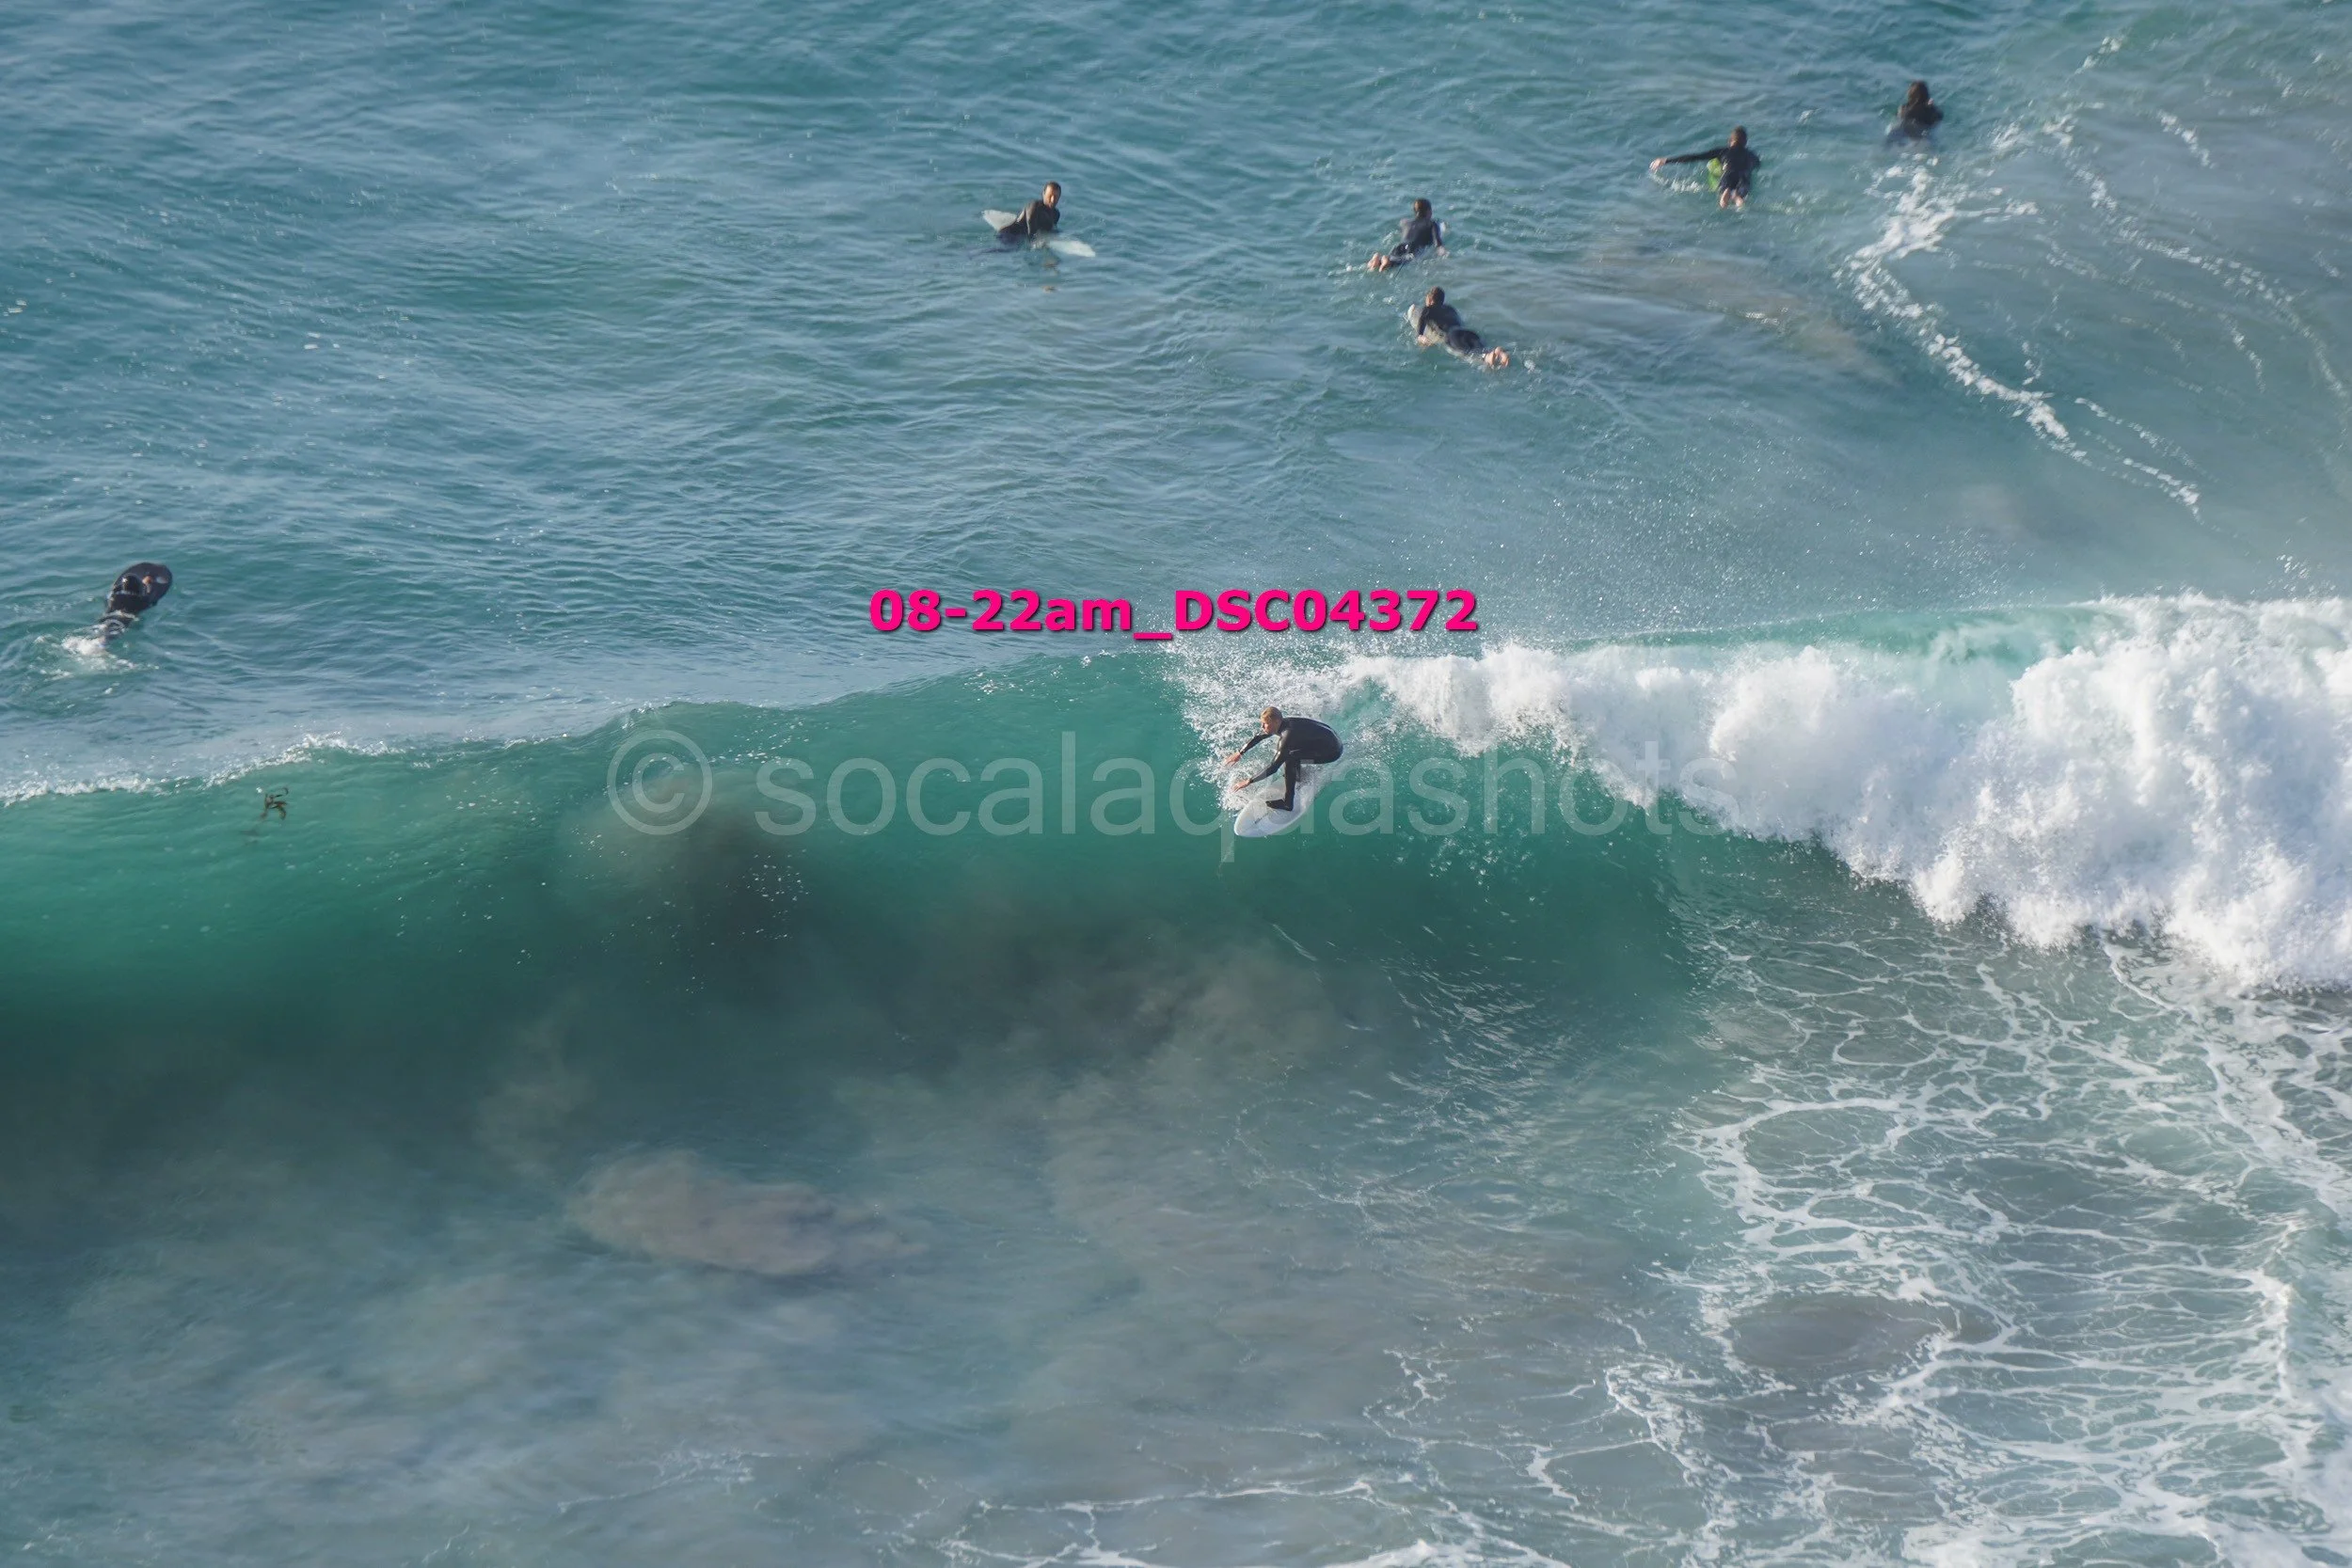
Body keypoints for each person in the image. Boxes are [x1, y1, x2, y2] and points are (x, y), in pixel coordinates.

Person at [1226, 707, 1343, 813]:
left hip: (1332, 752)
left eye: (1265, 724)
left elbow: (1273, 768)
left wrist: (1248, 781)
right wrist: (1240, 752)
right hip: (1329, 739)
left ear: (1276, 721)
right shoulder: (1283, 723)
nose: (1262, 727)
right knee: (1291, 752)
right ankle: (1297, 775)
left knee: (1290, 757)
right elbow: (1260, 736)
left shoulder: (1287, 735)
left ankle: (1287, 803)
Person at [1651, 126, 1760, 209]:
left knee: (1724, 189)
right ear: (1745, 143)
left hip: (1728, 174)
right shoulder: (1753, 156)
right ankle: (1736, 196)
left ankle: (1726, 191)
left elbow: (1695, 157)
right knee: (1741, 194)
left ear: (1729, 141)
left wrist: (1666, 160)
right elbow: (1756, 167)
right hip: (1743, 176)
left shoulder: (1723, 151)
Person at [1409, 287, 1510, 370]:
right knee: (1482, 349)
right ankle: (1498, 352)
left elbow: (1421, 321)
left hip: (1452, 335)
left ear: (1430, 300)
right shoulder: (1450, 308)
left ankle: (1488, 358)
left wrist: (1420, 336)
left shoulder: (1427, 309)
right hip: (1466, 331)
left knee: (1467, 354)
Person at [100, 562, 172, 641]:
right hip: (126, 619)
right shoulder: (141, 601)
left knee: (106, 629)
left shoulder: (115, 597)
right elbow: (152, 597)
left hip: (108, 617)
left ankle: (100, 642)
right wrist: (148, 583)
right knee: (112, 635)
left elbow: (116, 589)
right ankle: (102, 643)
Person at [1368, 198, 1444, 271]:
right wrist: (1441, 251)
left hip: (1399, 247)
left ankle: (1378, 259)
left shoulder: (1405, 222)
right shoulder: (1432, 223)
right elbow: (1437, 241)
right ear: (1429, 211)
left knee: (1393, 257)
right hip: (1412, 248)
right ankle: (1387, 261)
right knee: (1404, 261)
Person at [996, 182, 1061, 242]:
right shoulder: (1035, 206)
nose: (1052, 200)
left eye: (1055, 197)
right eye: (1050, 196)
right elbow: (1031, 230)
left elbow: (1051, 231)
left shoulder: (1056, 214)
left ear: (1059, 197)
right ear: (1043, 194)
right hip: (1010, 234)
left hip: (1022, 237)